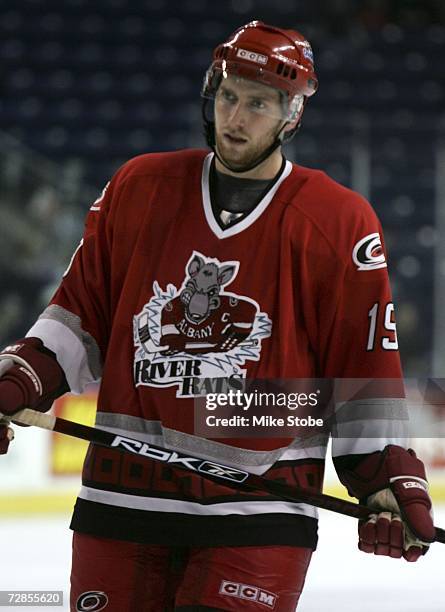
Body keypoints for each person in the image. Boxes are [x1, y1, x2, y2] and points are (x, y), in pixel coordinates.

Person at [0, 20, 436, 612]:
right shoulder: (139, 188)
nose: (236, 117)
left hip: (260, 507)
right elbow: (81, 316)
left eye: (259, 104)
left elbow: (362, 364)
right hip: (124, 499)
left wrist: (385, 475)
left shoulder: (337, 220)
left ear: (291, 115)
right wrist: (17, 380)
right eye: (230, 95)